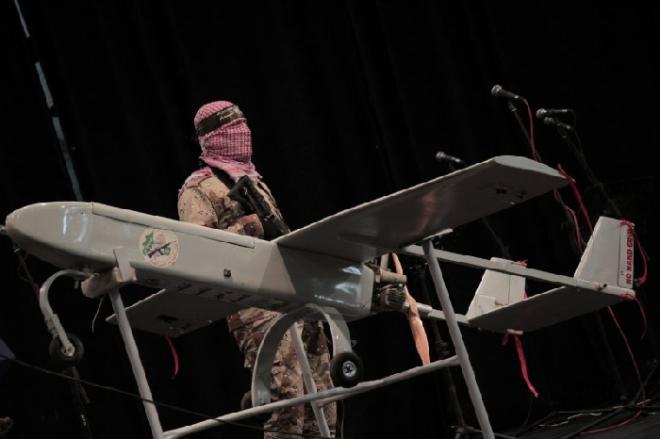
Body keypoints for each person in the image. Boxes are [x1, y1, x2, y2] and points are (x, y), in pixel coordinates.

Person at [177, 100, 336, 438]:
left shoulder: (253, 180)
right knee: (287, 406)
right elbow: (198, 254)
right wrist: (248, 228)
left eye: (244, 125)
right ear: (212, 138)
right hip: (255, 308)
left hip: (295, 297)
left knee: (324, 403)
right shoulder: (198, 189)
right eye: (233, 129)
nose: (243, 134)